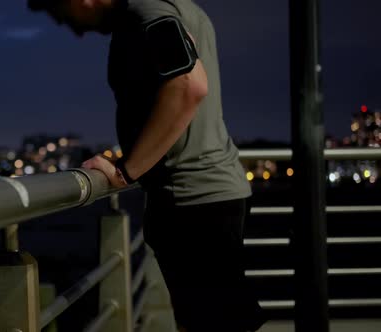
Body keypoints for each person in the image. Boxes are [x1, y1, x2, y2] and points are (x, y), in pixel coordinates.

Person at [27, 0, 267, 331]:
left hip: (192, 199)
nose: (75, 30)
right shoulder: (170, 7)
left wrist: (126, 171)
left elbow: (189, 86)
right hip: (206, 194)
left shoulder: (143, 11)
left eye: (64, 15)